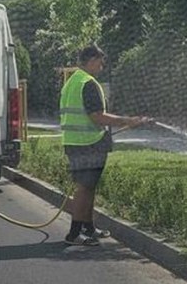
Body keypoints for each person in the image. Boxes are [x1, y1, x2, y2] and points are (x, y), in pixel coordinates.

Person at [59, 44, 152, 246]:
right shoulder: (89, 83)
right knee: (84, 188)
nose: (102, 67)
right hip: (88, 144)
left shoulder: (72, 81)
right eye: (100, 63)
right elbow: (97, 117)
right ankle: (74, 234)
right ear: (91, 61)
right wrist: (128, 121)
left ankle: (88, 227)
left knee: (88, 187)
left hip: (74, 142)